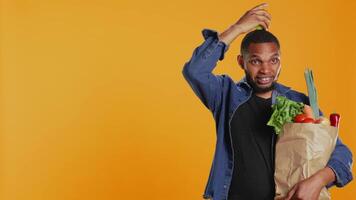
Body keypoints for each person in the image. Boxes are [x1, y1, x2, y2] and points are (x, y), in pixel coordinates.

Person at [182, 3, 353, 200]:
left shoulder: (299, 102)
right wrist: (236, 29)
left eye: (273, 60)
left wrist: (318, 181)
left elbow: (342, 153)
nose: (266, 70)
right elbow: (194, 71)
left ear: (280, 61)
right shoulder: (225, 95)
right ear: (241, 62)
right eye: (256, 61)